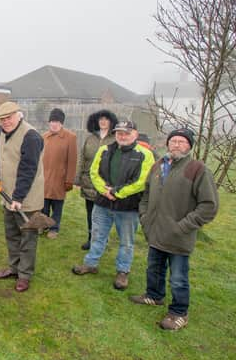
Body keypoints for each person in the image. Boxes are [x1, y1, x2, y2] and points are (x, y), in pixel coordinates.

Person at [130, 128, 219, 330]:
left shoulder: (197, 169)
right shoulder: (158, 165)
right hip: (155, 231)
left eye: (181, 141)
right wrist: (144, 217)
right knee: (154, 267)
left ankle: (179, 313)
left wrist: (183, 226)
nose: (176, 144)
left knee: (178, 277)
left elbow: (209, 206)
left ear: (189, 146)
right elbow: (145, 195)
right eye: (173, 141)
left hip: (179, 235)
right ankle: (154, 295)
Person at [72, 120, 155, 290]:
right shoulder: (105, 150)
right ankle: (91, 263)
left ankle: (123, 271)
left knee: (126, 241)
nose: (122, 136)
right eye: (119, 133)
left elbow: (142, 181)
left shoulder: (145, 154)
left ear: (135, 134)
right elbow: (93, 172)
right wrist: (105, 191)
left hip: (128, 207)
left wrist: (117, 192)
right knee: (97, 235)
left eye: (126, 133)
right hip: (102, 203)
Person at [0, 102, 44, 293]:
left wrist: (19, 197)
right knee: (11, 233)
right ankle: (14, 268)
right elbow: (2, 159)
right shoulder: (1, 133)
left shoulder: (31, 136)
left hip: (26, 199)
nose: (5, 122)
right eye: (2, 119)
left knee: (27, 237)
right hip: (8, 196)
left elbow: (28, 169)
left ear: (18, 115)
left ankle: (24, 275)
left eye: (9, 118)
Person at [76, 110, 118, 250]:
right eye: (101, 119)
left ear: (111, 121)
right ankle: (91, 238)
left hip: (105, 183)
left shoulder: (115, 139)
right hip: (88, 181)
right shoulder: (90, 138)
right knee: (90, 213)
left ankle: (102, 240)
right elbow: (82, 157)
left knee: (104, 214)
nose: (103, 121)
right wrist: (78, 178)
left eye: (106, 119)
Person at [42, 108, 77, 238]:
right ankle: (43, 225)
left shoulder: (70, 137)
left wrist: (69, 180)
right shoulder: (44, 137)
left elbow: (72, 161)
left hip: (59, 179)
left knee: (57, 206)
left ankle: (54, 228)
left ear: (61, 123)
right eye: (51, 121)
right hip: (45, 178)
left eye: (56, 121)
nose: (53, 124)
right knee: (43, 205)